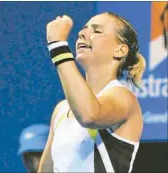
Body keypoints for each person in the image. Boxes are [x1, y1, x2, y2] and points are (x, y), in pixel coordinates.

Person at [38, 12, 146, 173]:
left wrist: (58, 46)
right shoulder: (61, 111)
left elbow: (89, 115)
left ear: (120, 50)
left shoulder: (123, 98)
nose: (82, 34)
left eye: (97, 31)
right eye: (84, 29)